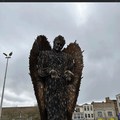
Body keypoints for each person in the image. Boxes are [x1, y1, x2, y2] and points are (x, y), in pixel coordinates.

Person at [37, 35, 75, 120]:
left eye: (61, 45)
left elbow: (71, 76)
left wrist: (69, 74)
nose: (59, 46)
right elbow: (39, 71)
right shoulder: (45, 54)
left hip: (62, 90)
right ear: (54, 43)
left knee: (62, 113)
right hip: (50, 89)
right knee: (51, 113)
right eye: (57, 44)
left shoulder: (67, 57)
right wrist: (49, 71)